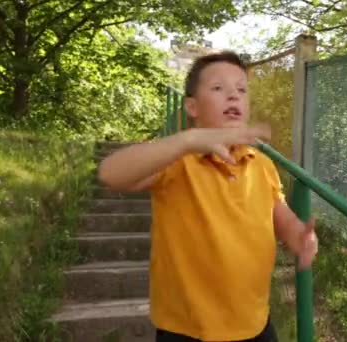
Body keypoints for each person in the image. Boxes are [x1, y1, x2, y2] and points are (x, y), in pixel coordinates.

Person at [98, 51, 318, 342]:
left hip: (254, 324)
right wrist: (189, 140)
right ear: (192, 106)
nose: (233, 96)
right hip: (187, 330)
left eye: (241, 89)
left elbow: (281, 218)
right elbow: (110, 173)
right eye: (218, 88)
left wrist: (300, 236)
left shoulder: (262, 164)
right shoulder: (177, 160)